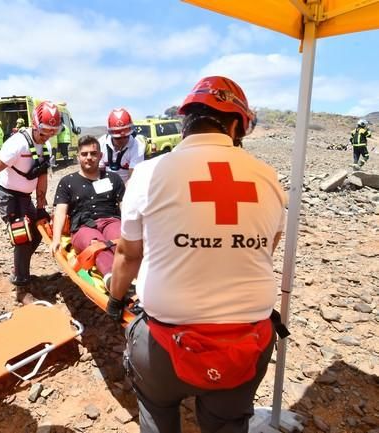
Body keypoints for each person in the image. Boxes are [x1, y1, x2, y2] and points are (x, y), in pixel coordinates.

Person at [107, 76, 287, 433]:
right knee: (228, 423)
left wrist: (115, 302)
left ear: (185, 123)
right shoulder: (268, 178)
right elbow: (268, 246)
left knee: (156, 409)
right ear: (237, 124)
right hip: (246, 345)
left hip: (163, 345)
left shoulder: (148, 174)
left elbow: (128, 254)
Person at [0, 101, 61, 303]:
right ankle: (21, 288)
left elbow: (42, 176)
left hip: (24, 197)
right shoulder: (17, 144)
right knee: (22, 236)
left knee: (36, 234)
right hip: (7, 195)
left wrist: (41, 207)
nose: (48, 135)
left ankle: (21, 270)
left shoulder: (46, 145)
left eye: (53, 131)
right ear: (35, 124)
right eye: (44, 131)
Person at [50, 135, 124, 284]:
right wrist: (56, 238)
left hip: (111, 220)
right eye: (84, 154)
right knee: (96, 244)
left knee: (121, 239)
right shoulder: (67, 182)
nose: (89, 157)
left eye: (93, 153)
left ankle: (137, 274)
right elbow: (60, 211)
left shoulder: (113, 178)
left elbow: (125, 206)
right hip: (82, 226)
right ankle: (112, 278)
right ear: (78, 156)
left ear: (100, 156)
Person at [98, 108, 144, 183]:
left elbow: (133, 178)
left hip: (127, 185)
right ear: (111, 135)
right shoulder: (101, 143)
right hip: (107, 185)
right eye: (118, 138)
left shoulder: (137, 146)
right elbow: (99, 172)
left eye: (126, 136)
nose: (123, 140)